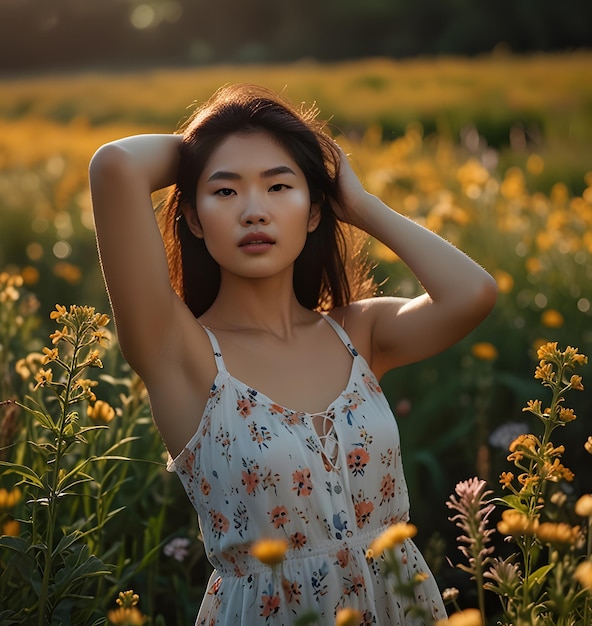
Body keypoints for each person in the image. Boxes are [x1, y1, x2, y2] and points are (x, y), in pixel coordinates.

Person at [89, 83, 497, 625]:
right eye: (226, 192)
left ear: (313, 212)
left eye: (280, 186)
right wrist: (213, 142)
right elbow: (115, 165)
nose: (254, 211)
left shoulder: (359, 332)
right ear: (192, 217)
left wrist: (360, 204)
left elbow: (473, 294)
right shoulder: (179, 352)